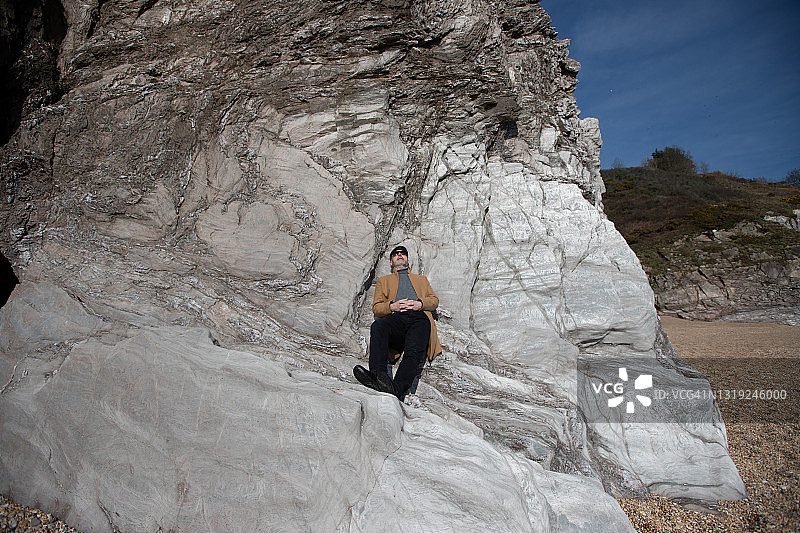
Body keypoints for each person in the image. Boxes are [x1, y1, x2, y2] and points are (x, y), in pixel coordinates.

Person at [353, 245, 442, 400]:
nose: (399, 255)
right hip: (397, 318)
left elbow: (434, 301)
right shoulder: (384, 281)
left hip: (419, 318)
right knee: (378, 326)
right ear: (391, 262)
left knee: (413, 351)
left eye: (403, 253)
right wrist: (392, 306)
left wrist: (419, 304)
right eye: (395, 254)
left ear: (407, 259)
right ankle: (376, 375)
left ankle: (398, 387)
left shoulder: (421, 280)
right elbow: (377, 308)